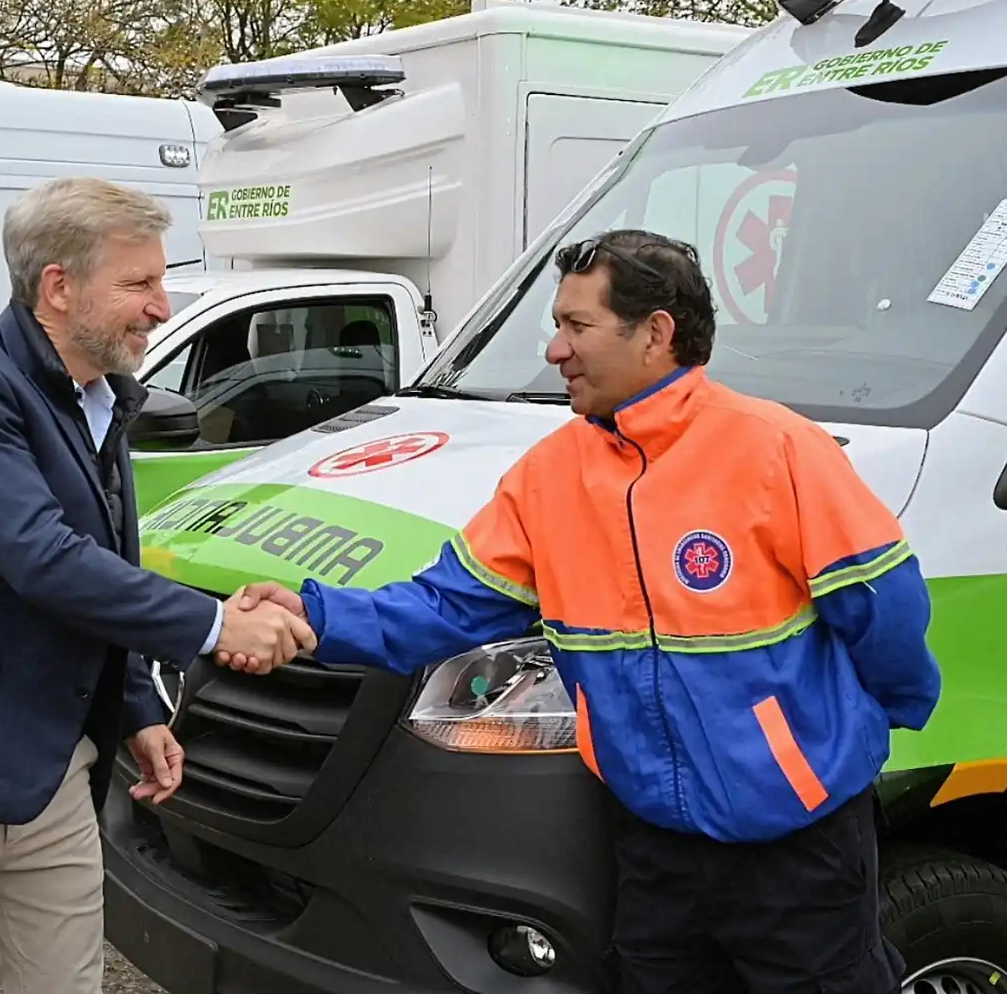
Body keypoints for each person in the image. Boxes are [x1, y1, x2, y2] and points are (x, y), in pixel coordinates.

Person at [230, 229, 942, 994]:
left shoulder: (778, 449)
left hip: (798, 846)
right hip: (653, 848)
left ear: (656, 333)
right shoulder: (548, 476)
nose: (554, 348)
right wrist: (312, 613)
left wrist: (853, 737)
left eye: (576, 325)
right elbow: (444, 604)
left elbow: (886, 614)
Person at [0, 177, 314, 994]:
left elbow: (101, 569)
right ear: (58, 285)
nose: (161, 306)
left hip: (48, 774)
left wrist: (135, 711)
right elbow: (41, 557)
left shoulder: (103, 395)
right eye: (141, 283)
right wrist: (215, 622)